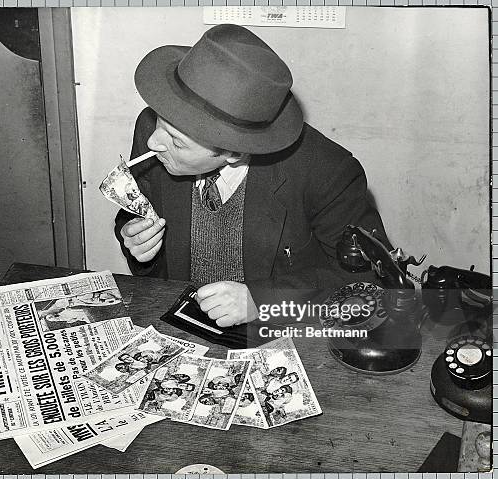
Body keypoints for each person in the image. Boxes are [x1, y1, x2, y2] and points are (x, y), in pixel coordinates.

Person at [115, 24, 390, 328]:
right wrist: (138, 244)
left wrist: (264, 301)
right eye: (159, 121)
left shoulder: (328, 172)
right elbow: (132, 212)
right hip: (180, 326)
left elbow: (371, 279)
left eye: (178, 142)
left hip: (278, 334)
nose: (154, 143)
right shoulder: (153, 129)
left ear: (234, 151)